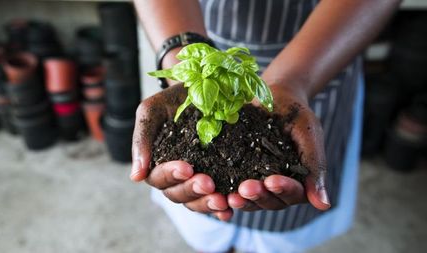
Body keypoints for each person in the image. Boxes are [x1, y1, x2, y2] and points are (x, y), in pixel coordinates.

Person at [130, 0, 400, 252]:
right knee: (206, 221)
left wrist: (291, 81)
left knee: (282, 216)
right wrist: (182, 57)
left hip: (325, 54)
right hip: (197, 29)